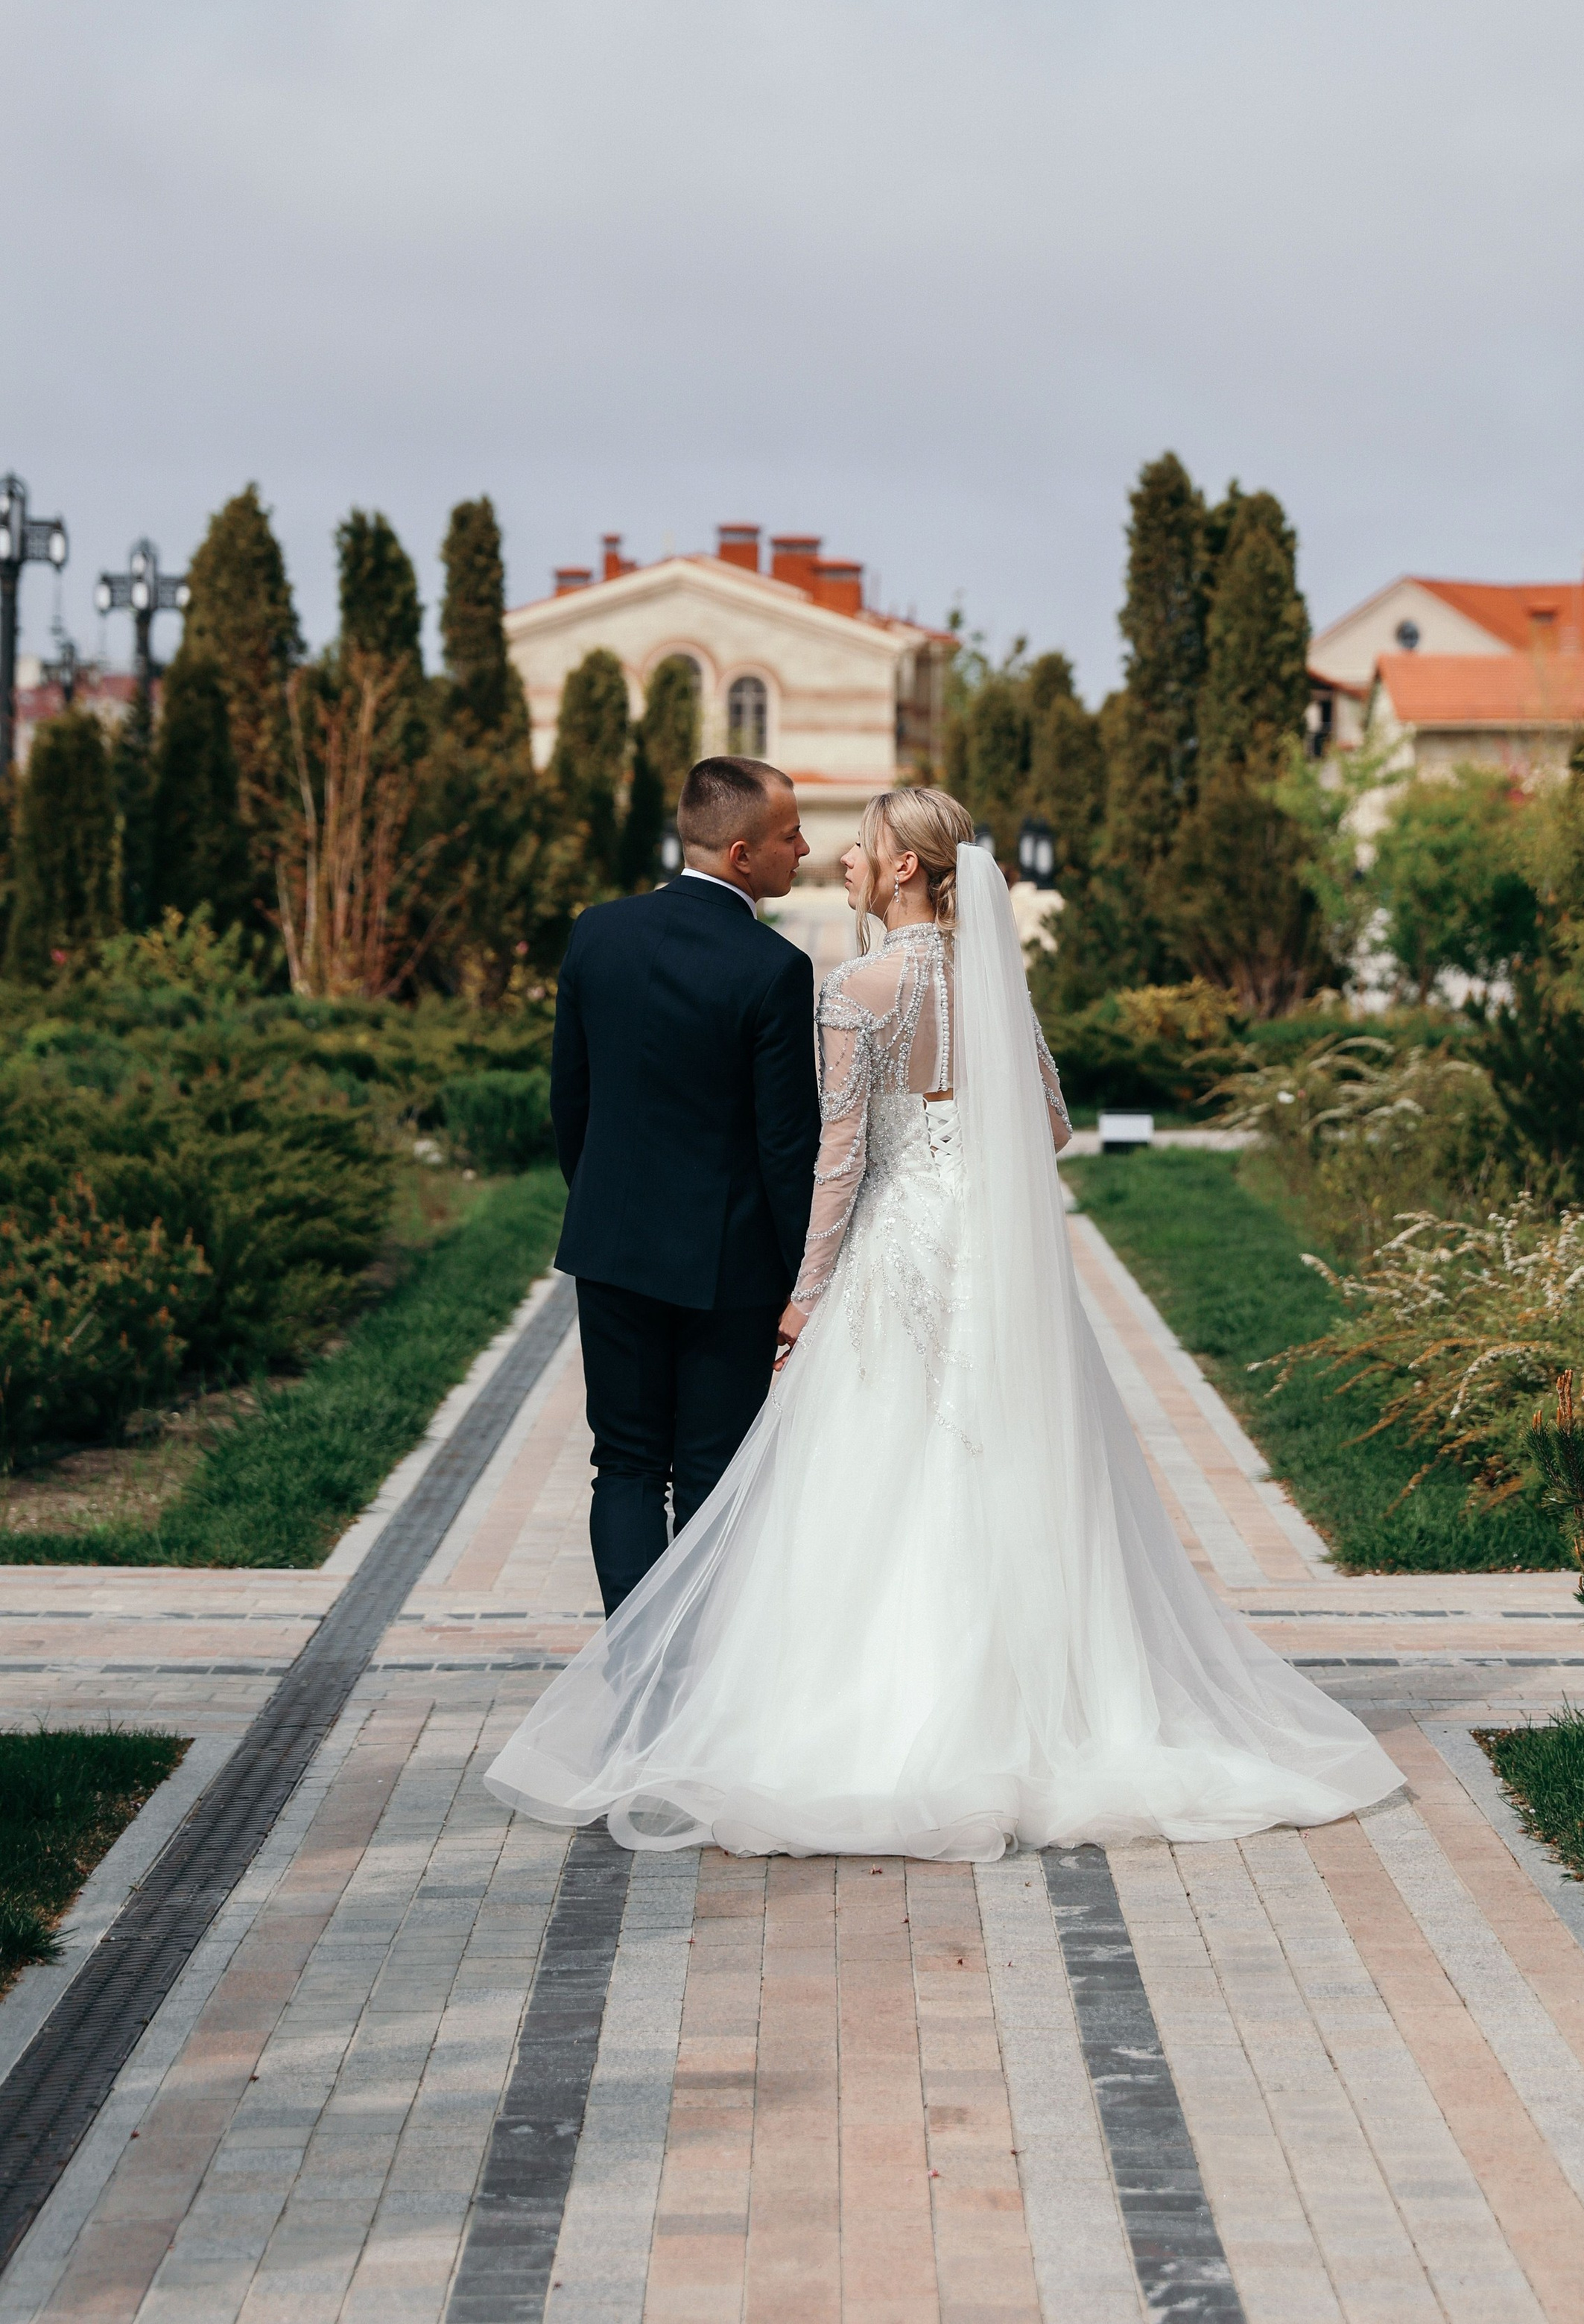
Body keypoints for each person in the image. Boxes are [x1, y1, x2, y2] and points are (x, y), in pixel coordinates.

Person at [492, 785, 1403, 1857]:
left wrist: (807, 1290)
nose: (840, 858)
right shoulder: (992, 984)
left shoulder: (853, 988)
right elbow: (1050, 1124)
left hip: (886, 1242)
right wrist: (964, 1149)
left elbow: (836, 1162)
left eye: (862, 846)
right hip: (980, 1245)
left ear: (905, 869)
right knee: (996, 1462)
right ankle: (1034, 1710)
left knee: (841, 1464)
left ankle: (764, 1709)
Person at [548, 755, 820, 1619]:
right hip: (727, 1267)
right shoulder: (774, 968)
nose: (803, 850)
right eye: (789, 836)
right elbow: (786, 1145)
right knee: (709, 1470)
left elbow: (570, 1100)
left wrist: (603, 1204)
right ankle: (690, 1667)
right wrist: (804, 1278)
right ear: (742, 854)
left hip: (612, 1246)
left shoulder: (597, 933)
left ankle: (637, 1668)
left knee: (624, 1463)